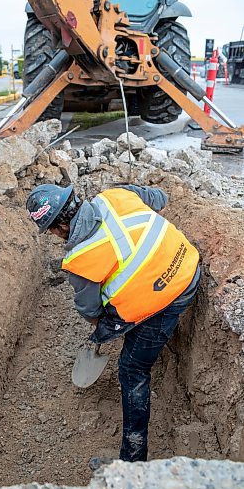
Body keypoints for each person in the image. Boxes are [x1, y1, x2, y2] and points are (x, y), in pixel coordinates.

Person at [26, 183, 200, 463]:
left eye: (52, 232)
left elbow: (89, 309)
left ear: (58, 228)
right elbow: (161, 200)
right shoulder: (116, 194)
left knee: (132, 369)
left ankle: (132, 461)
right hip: (188, 264)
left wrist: (102, 329)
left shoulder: (80, 260)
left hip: (170, 298)